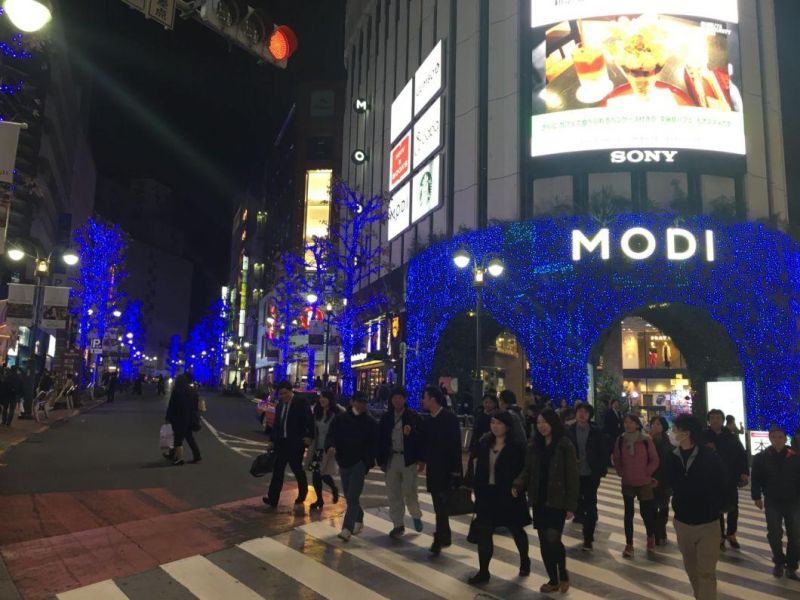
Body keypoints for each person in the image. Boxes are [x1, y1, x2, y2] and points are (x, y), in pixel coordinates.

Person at [513, 408, 578, 594]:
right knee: (544, 540)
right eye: (539, 422)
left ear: (553, 423)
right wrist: (518, 483)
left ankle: (563, 572)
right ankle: (553, 579)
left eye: (545, 422)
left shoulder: (564, 444)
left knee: (553, 538)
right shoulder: (534, 445)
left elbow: (572, 477)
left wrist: (571, 505)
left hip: (557, 499)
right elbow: (527, 470)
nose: (541, 426)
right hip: (539, 498)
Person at [468, 411, 530, 584]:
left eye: (499, 423)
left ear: (507, 426)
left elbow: (523, 471)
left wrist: (518, 487)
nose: (495, 426)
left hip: (509, 495)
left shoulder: (516, 447)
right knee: (485, 532)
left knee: (516, 529)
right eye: (493, 422)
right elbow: (479, 468)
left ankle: (525, 560)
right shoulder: (484, 443)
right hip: (487, 495)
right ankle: (484, 571)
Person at [669, 413, 726, 600]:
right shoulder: (673, 457)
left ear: (686, 433)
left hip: (707, 523)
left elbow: (722, 483)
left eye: (675, 430)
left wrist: (719, 507)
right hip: (683, 522)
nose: (673, 433)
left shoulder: (709, 456)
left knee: (707, 572)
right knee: (692, 570)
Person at [326, 391, 378, 541]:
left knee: (353, 496)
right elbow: (332, 435)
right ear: (352, 402)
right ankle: (359, 517)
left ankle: (347, 528)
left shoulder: (370, 422)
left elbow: (374, 444)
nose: (362, 405)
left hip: (359, 464)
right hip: (343, 461)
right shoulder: (341, 419)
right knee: (350, 496)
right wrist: (330, 446)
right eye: (359, 401)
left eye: (364, 402)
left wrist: (367, 462)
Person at [751, 425, 800, 579]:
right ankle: (778, 561)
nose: (777, 440)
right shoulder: (761, 457)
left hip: (794, 501)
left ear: (786, 439)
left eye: (780, 437)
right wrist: (756, 497)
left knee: (796, 534)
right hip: (772, 501)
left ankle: (791, 565)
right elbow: (756, 479)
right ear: (770, 438)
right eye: (774, 437)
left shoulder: (795, 456)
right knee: (774, 533)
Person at [419, 384, 462, 556]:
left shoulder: (449, 419)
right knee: (438, 504)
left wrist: (456, 471)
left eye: (425, 397)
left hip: (447, 469)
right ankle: (444, 535)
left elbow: (456, 446)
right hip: (434, 468)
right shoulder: (428, 419)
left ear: (433, 399)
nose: (423, 400)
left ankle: (440, 537)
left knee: (442, 503)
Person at [377, 386, 424, 538]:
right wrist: (381, 460)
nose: (397, 400)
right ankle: (398, 524)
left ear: (404, 399)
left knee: (410, 490)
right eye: (394, 398)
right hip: (392, 459)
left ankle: (415, 515)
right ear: (391, 400)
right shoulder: (386, 418)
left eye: (400, 397)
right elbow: (381, 439)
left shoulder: (413, 416)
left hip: (408, 459)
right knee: (393, 492)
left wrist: (421, 459)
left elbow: (421, 439)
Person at [612, 413, 659, 557]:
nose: (628, 425)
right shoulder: (621, 440)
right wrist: (621, 472)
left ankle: (650, 537)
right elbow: (616, 458)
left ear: (637, 424)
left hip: (644, 482)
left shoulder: (646, 440)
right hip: (627, 482)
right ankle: (629, 544)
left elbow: (654, 459)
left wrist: (647, 473)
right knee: (628, 514)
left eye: (631, 422)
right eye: (626, 422)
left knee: (646, 513)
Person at [264, 380, 314, 508]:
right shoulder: (280, 404)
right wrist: (271, 440)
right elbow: (276, 424)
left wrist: (309, 437)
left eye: (285, 393)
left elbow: (309, 420)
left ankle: (303, 493)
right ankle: (273, 498)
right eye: (281, 394)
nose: (283, 396)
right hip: (281, 442)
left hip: (296, 443)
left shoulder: (300, 403)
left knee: (297, 469)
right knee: (278, 471)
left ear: (291, 391)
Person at [703, 408, 748, 550]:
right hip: (711, 479)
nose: (715, 420)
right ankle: (720, 535)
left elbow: (741, 455)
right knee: (716, 509)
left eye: (718, 417)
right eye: (712, 417)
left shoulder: (731, 436)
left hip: (730, 477)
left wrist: (744, 472)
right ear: (708, 420)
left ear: (722, 420)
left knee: (733, 507)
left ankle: (731, 534)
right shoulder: (703, 437)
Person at [566, 402, 608, 551]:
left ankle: (588, 538)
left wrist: (601, 470)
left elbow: (603, 452)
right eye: (579, 412)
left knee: (590, 504)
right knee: (578, 502)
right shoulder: (569, 431)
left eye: (585, 412)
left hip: (590, 474)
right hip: (574, 474)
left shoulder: (596, 432)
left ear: (589, 415)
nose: (582, 414)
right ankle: (580, 516)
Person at [305, 390, 342, 511]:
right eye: (321, 397)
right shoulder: (317, 412)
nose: (322, 399)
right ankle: (319, 499)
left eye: (324, 397)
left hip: (329, 448)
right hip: (317, 447)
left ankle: (333, 488)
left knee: (324, 473)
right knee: (316, 475)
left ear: (330, 399)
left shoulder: (336, 414)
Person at [164, 374, 201, 465]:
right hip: (190, 418)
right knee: (189, 437)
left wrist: (168, 417)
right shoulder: (193, 391)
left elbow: (172, 406)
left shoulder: (177, 391)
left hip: (179, 418)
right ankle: (197, 455)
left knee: (177, 439)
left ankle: (179, 459)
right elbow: (196, 405)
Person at [649, 415, 675, 546]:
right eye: (653, 424)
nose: (655, 426)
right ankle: (655, 531)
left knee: (664, 507)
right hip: (650, 479)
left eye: (658, 424)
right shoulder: (647, 441)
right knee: (652, 507)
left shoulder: (668, 444)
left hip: (664, 479)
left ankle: (660, 529)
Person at [470, 393, 500, 459]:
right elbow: (475, 431)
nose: (487, 404)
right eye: (485, 402)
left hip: (491, 445)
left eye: (490, 402)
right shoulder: (479, 414)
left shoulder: (497, 416)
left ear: (495, 403)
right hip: (478, 444)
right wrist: (472, 447)